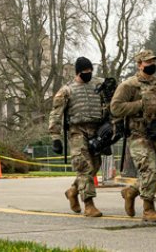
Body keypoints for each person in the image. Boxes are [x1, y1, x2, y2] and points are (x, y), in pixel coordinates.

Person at [111, 50, 156, 223]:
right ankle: (148, 208)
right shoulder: (129, 85)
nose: (151, 65)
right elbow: (116, 107)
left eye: (153, 61)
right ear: (139, 64)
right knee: (150, 169)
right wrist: (141, 105)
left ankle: (131, 191)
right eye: (147, 62)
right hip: (138, 134)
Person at [48, 56, 104, 217]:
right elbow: (55, 114)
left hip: (96, 132)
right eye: (86, 72)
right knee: (84, 167)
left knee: (95, 164)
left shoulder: (97, 85)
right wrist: (55, 137)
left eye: (90, 71)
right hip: (77, 131)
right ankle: (89, 204)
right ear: (78, 72)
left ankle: (73, 191)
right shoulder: (67, 90)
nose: (89, 74)